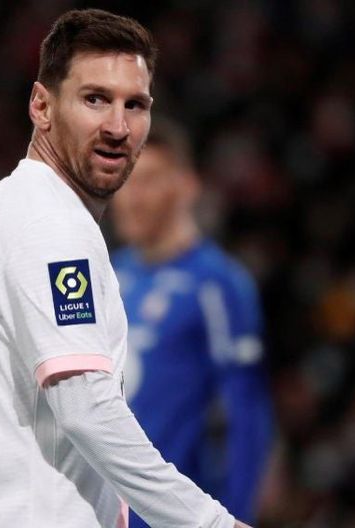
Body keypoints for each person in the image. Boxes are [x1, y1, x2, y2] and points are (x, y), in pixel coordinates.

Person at [0, 8, 252, 528]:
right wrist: (211, 523)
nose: (118, 127)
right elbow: (86, 409)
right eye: (95, 99)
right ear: (41, 106)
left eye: (135, 105)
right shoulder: (53, 223)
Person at [110, 117, 274, 526]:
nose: (131, 197)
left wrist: (236, 516)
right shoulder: (106, 274)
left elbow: (246, 413)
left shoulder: (217, 285)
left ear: (186, 186)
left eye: (148, 181)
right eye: (125, 180)